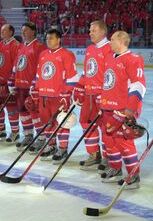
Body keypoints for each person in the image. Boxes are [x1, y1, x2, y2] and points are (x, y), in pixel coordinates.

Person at [98, 30, 146, 189]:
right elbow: (108, 82)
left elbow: (138, 86)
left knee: (124, 142)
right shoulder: (110, 58)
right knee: (109, 140)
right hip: (107, 108)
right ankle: (115, 169)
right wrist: (102, 102)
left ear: (121, 41)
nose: (109, 42)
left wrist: (129, 110)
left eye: (112, 39)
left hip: (121, 110)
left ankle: (133, 175)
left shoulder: (133, 59)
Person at [30, 28, 79, 161]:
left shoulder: (66, 54)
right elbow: (39, 75)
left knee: (62, 122)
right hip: (44, 96)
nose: (48, 41)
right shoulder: (43, 54)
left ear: (58, 40)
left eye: (51, 38)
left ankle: (62, 148)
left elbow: (72, 77)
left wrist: (67, 95)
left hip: (59, 96)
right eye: (47, 38)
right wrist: (35, 89)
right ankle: (51, 145)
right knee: (47, 122)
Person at [74, 21, 114, 170]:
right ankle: (94, 154)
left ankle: (108, 156)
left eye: (93, 31)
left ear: (103, 32)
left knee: (106, 127)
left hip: (102, 96)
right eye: (90, 30)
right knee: (86, 122)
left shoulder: (110, 48)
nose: (90, 33)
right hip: (89, 95)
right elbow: (87, 71)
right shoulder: (90, 49)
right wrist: (80, 86)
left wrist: (106, 94)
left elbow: (112, 74)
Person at [7, 22, 47, 149]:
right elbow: (16, 66)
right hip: (20, 86)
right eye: (22, 30)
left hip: (32, 88)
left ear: (33, 32)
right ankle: (28, 135)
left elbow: (43, 69)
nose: (23, 32)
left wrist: (37, 86)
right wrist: (11, 82)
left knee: (35, 114)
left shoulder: (40, 47)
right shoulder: (20, 47)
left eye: (26, 30)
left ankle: (41, 138)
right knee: (23, 113)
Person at [0, 24, 20, 142]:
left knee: (11, 109)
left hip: (8, 84)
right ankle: (0, 130)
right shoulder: (0, 45)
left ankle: (15, 132)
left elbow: (17, 65)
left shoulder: (16, 45)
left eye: (4, 30)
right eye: (1, 30)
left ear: (11, 32)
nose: (1, 32)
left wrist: (13, 80)